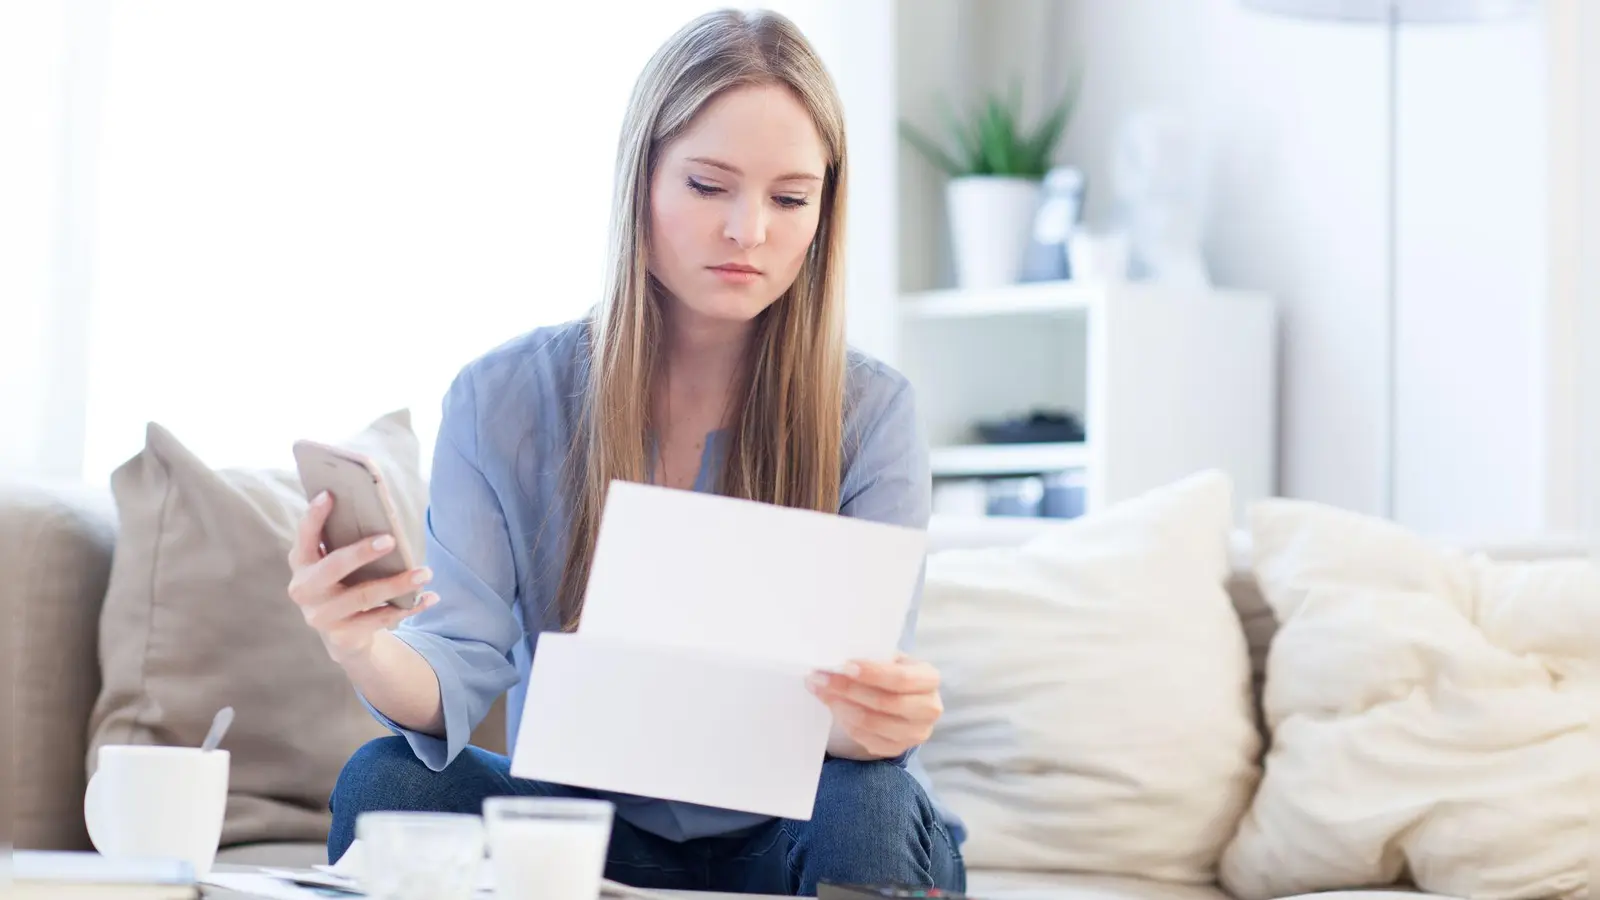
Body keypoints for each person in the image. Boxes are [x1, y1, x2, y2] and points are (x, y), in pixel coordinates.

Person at [285, 8, 964, 896]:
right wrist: (361, 645)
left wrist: (881, 718)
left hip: (797, 834)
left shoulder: (871, 411)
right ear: (639, 180)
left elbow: (859, 728)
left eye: (790, 199)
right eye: (709, 185)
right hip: (574, 832)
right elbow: (455, 667)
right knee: (388, 778)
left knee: (871, 795)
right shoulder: (503, 399)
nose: (748, 230)